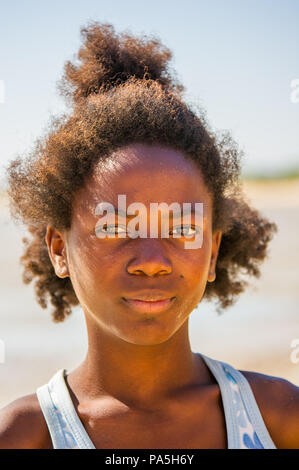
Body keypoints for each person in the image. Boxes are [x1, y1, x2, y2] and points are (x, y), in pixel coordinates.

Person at [0, 22, 298, 449]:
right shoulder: (25, 438)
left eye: (182, 229)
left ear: (213, 252)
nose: (153, 259)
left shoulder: (279, 417)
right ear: (59, 249)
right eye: (116, 227)